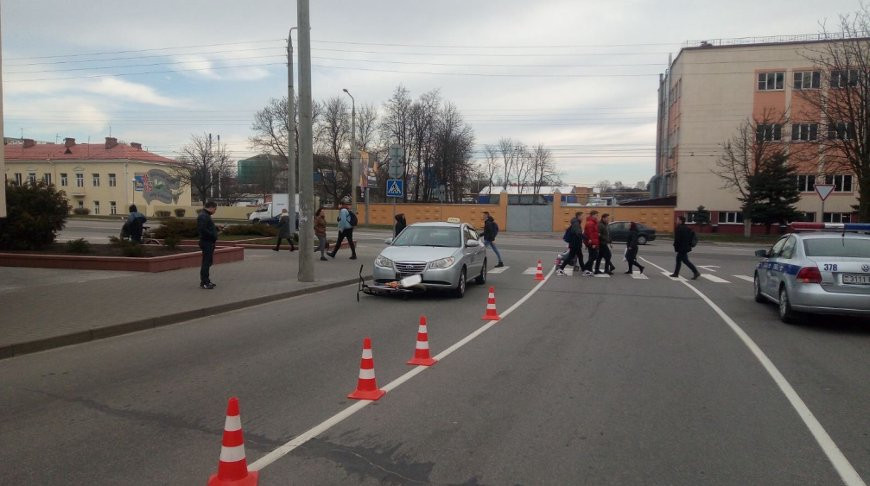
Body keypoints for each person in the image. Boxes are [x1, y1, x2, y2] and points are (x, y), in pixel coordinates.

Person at [197, 201, 220, 289]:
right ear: (210, 207)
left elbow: (207, 227)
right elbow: (203, 230)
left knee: (208, 262)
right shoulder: (203, 216)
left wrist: (216, 228)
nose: (215, 211)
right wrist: (213, 235)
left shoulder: (206, 215)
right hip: (207, 242)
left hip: (208, 241)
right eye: (215, 209)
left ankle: (206, 280)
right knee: (206, 263)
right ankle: (204, 282)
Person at [671, 215, 700, 279]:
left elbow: (677, 239)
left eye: (677, 219)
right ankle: (676, 273)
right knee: (679, 260)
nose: (676, 221)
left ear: (680, 221)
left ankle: (696, 272)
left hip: (682, 248)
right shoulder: (687, 228)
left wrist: (675, 245)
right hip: (686, 247)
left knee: (685, 261)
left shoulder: (679, 228)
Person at [556, 211, 584, 276]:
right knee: (571, 257)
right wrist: (586, 238)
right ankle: (560, 269)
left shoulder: (576, 223)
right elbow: (578, 233)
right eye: (582, 216)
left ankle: (584, 269)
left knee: (579, 256)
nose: (583, 218)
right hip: (575, 244)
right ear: (579, 216)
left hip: (575, 243)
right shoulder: (576, 223)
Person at [583, 210, 600, 276]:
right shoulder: (590, 223)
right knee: (595, 256)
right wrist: (593, 243)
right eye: (596, 215)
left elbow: (593, 233)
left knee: (591, 256)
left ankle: (589, 269)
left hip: (593, 241)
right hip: (592, 242)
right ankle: (585, 268)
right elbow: (590, 234)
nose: (597, 216)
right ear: (592, 215)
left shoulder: (593, 222)